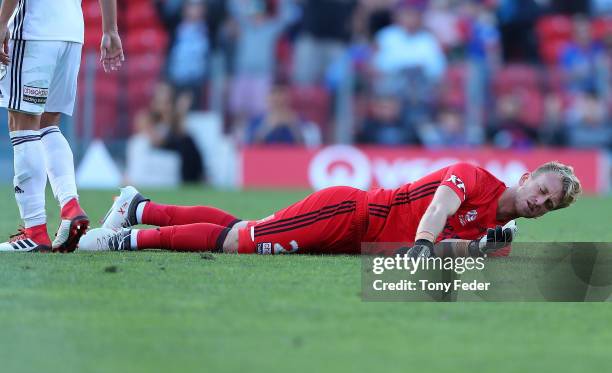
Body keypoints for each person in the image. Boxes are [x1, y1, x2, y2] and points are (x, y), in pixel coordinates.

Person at [81, 161, 581, 258]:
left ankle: (139, 207)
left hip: (358, 242)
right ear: (526, 177)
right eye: (542, 189)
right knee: (242, 243)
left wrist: (473, 250)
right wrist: (426, 247)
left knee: (245, 228)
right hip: (351, 213)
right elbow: (435, 213)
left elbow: (453, 243)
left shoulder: (499, 232)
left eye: (550, 204)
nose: (541, 202)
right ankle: (126, 238)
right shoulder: (474, 177)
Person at [0, 0, 124, 253]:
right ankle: (70, 205)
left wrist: (2, 22)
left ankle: (34, 231)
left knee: (23, 125)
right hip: (71, 33)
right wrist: (110, 29)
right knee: (48, 125)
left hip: (33, 29)